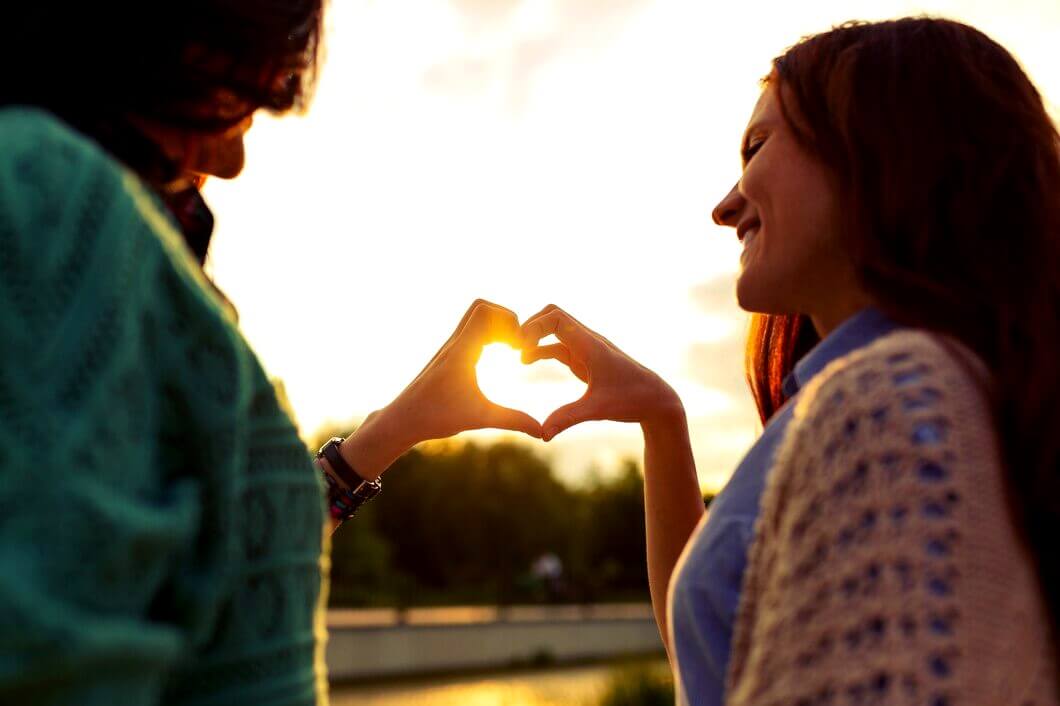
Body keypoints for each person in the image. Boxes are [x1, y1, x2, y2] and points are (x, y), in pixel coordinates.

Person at [0, 2, 541, 703]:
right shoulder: (52, 202)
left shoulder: (90, 235)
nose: (233, 161)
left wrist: (387, 434)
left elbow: (208, 570)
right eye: (242, 106)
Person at [517, 16, 1060, 706]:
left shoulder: (892, 404)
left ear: (879, 145)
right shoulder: (955, 399)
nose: (725, 207)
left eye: (757, 147)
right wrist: (661, 417)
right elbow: (730, 651)